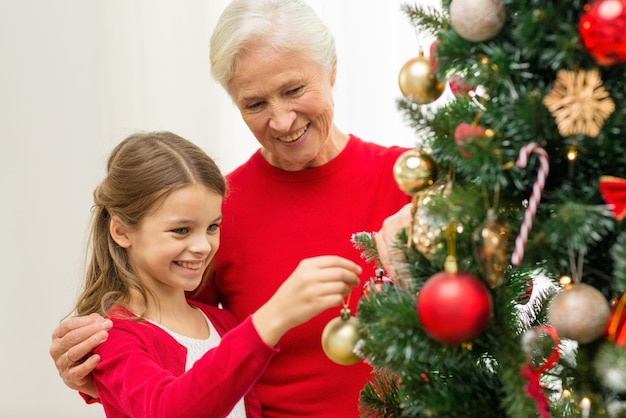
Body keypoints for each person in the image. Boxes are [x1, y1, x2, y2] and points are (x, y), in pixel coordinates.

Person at [50, 1, 412, 416]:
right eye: (255, 104)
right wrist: (91, 369)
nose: (280, 120)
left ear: (331, 70)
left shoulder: (415, 182)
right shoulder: (216, 213)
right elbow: (177, 342)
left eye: (294, 90)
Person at [70, 131, 362, 418]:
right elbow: (168, 409)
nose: (202, 246)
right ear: (121, 231)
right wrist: (274, 316)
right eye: (181, 230)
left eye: (212, 227)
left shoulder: (223, 323)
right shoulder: (111, 337)